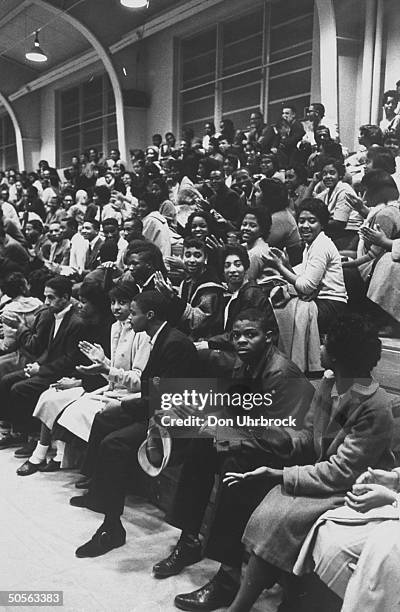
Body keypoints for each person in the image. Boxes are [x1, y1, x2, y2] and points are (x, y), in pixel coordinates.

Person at [224, 313, 395, 612]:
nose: (321, 349)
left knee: (280, 515)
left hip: (352, 486)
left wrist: (280, 474)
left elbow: (342, 471)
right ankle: (267, 601)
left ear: (341, 357)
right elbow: (307, 435)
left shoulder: (374, 405)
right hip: (323, 475)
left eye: (326, 344)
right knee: (266, 503)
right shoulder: (330, 384)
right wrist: (279, 439)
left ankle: (244, 605)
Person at [154, 308, 314, 611]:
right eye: (236, 335)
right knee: (201, 447)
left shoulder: (280, 372)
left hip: (291, 454)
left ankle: (228, 578)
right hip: (261, 441)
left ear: (268, 337)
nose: (241, 341)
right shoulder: (245, 363)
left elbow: (281, 439)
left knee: (235, 468)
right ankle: (189, 540)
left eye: (250, 334)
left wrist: (224, 433)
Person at [69, 290, 199, 558]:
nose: (128, 318)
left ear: (149, 316)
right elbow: (152, 389)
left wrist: (125, 404)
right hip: (158, 409)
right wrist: (107, 372)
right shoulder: (159, 337)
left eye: (133, 313)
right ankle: (99, 492)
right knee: (104, 419)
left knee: (114, 443)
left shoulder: (174, 344)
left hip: (174, 421)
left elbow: (167, 398)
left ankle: (112, 528)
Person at [0, 276, 85, 454]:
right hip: (47, 367)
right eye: (45, 297)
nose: (46, 302)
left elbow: (69, 359)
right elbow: (48, 349)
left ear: (65, 297)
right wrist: (37, 365)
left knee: (20, 388)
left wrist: (42, 369)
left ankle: (33, 436)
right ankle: (14, 430)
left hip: (63, 374)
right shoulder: (53, 314)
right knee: (6, 381)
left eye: (51, 297)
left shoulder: (75, 322)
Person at [265, 198, 347, 334]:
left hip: (331, 306)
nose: (305, 226)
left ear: (322, 224)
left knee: (280, 313)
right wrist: (286, 264)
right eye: (301, 221)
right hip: (323, 302)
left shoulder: (321, 245)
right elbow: (301, 279)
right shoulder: (312, 244)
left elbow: (306, 287)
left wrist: (280, 267)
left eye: (312, 221)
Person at [154, 237, 225, 340]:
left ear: (205, 259)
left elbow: (197, 322)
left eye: (197, 256)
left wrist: (172, 297)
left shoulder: (210, 288)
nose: (192, 260)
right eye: (188, 255)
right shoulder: (186, 281)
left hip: (205, 339)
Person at [313, 158, 362, 250]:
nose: (327, 176)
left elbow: (339, 223)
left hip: (350, 235)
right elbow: (307, 205)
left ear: (340, 175)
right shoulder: (328, 192)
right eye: (324, 173)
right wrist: (313, 183)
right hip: (336, 233)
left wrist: (316, 222)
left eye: (332, 173)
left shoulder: (344, 189)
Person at [256, 178, 302, 265]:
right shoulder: (273, 213)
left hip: (288, 266)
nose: (255, 194)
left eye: (258, 191)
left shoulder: (279, 218)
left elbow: (260, 245)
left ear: (267, 196)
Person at [0, 272, 42, 354]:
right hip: (40, 346)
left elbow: (9, 345)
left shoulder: (9, 311)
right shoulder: (38, 302)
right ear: (23, 288)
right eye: (27, 284)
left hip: (24, 352)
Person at [240, 206, 272, 281]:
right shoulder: (245, 246)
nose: (246, 228)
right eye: (244, 224)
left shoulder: (256, 253)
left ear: (262, 230)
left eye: (252, 226)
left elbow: (247, 281)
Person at [137, 192, 172, 258]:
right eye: (139, 206)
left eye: (143, 206)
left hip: (159, 256)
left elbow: (141, 242)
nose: (140, 209)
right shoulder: (157, 217)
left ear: (151, 206)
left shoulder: (150, 220)